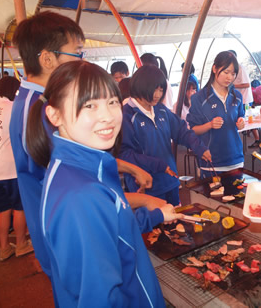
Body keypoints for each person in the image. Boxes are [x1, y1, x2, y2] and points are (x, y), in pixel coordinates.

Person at [10, 11, 155, 278]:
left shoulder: (33, 101)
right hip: (75, 239)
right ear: (47, 59)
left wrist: (131, 170)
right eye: (78, 53)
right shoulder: (45, 111)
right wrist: (144, 200)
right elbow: (83, 180)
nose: (83, 61)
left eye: (112, 103)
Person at [26, 60, 181, 306]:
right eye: (89, 105)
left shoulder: (75, 167)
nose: (107, 117)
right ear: (55, 115)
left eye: (111, 102)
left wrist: (157, 216)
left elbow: (115, 228)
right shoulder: (81, 194)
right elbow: (97, 298)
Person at [120, 64, 211, 205]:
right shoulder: (126, 115)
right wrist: (158, 165)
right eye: (153, 90)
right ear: (140, 87)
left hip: (170, 180)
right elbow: (125, 155)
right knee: (155, 224)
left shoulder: (161, 110)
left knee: (176, 222)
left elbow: (181, 131)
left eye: (161, 90)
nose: (158, 95)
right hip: (146, 187)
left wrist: (199, 147)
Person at [187, 51, 245, 179]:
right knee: (212, 198)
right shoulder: (199, 98)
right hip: (212, 162)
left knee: (237, 197)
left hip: (236, 159)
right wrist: (209, 125)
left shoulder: (237, 97)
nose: (229, 77)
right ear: (214, 68)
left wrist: (241, 123)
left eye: (233, 73)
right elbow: (193, 130)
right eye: (226, 72)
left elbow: (241, 119)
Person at [0, 76, 34, 261]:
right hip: (11, 168)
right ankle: (20, 244)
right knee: (19, 208)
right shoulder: (13, 108)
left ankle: (3, 248)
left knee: (2, 210)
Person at [229, 50, 260, 147]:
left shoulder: (240, 68)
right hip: (239, 98)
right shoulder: (232, 69)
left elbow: (247, 84)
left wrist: (232, 85)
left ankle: (258, 140)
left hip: (245, 99)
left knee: (247, 119)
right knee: (242, 120)